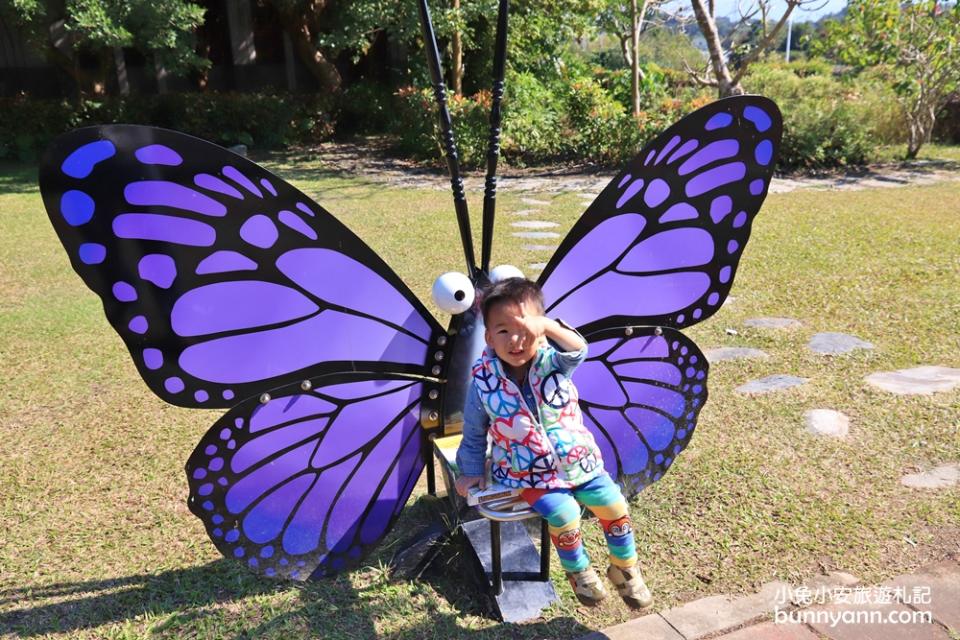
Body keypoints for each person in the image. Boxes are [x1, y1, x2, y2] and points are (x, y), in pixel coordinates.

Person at [454, 277, 652, 609]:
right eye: (503, 331)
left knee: (615, 505)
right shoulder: (484, 382)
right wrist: (471, 471)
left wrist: (545, 324)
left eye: (526, 330)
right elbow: (474, 431)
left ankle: (625, 568)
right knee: (564, 513)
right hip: (526, 472)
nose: (516, 340)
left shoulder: (555, 362)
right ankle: (580, 573)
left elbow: (579, 348)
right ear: (488, 337)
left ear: (542, 331)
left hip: (580, 462)